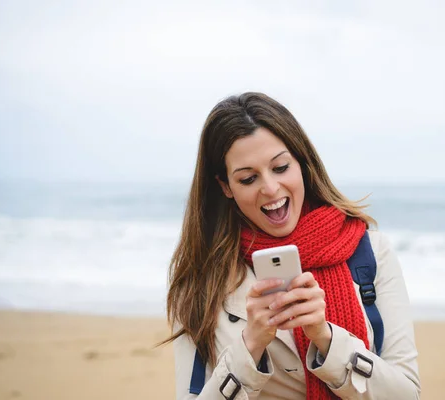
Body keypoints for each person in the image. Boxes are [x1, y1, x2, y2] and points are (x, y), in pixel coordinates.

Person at [164, 92, 421, 399]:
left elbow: (408, 394)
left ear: (302, 162)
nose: (271, 189)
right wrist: (251, 346)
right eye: (248, 179)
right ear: (225, 186)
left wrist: (326, 339)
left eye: (281, 167)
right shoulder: (199, 276)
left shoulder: (370, 251)